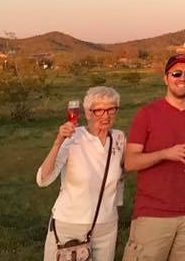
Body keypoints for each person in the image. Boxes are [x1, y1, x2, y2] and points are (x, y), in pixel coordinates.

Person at [122, 54, 185, 261]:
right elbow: (130, 161)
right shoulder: (147, 114)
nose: (183, 78)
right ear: (166, 78)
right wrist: (165, 154)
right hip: (154, 213)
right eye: (176, 73)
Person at [38, 86, 125, 261]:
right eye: (99, 110)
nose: (106, 115)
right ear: (87, 113)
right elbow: (43, 179)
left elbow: (126, 169)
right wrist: (57, 143)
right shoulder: (73, 137)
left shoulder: (119, 138)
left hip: (106, 227)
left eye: (111, 109)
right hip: (69, 227)